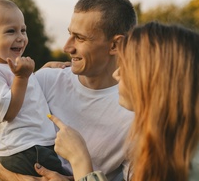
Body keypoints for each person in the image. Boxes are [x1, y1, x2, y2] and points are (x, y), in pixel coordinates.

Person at [0, 0, 138, 181]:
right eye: (70, 34)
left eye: (80, 38)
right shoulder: (44, 81)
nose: (67, 47)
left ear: (116, 45)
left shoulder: (137, 116)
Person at [38, 21, 199, 181]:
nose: (117, 74)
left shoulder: (192, 164)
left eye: (128, 66)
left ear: (156, 77)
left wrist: (80, 160)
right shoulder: (167, 143)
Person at [0, 0, 67, 177]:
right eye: (10, 31)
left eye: (23, 30)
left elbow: (28, 91)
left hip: (37, 145)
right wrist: (22, 76)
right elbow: (9, 112)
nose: (20, 37)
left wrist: (41, 70)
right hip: (26, 149)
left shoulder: (12, 69)